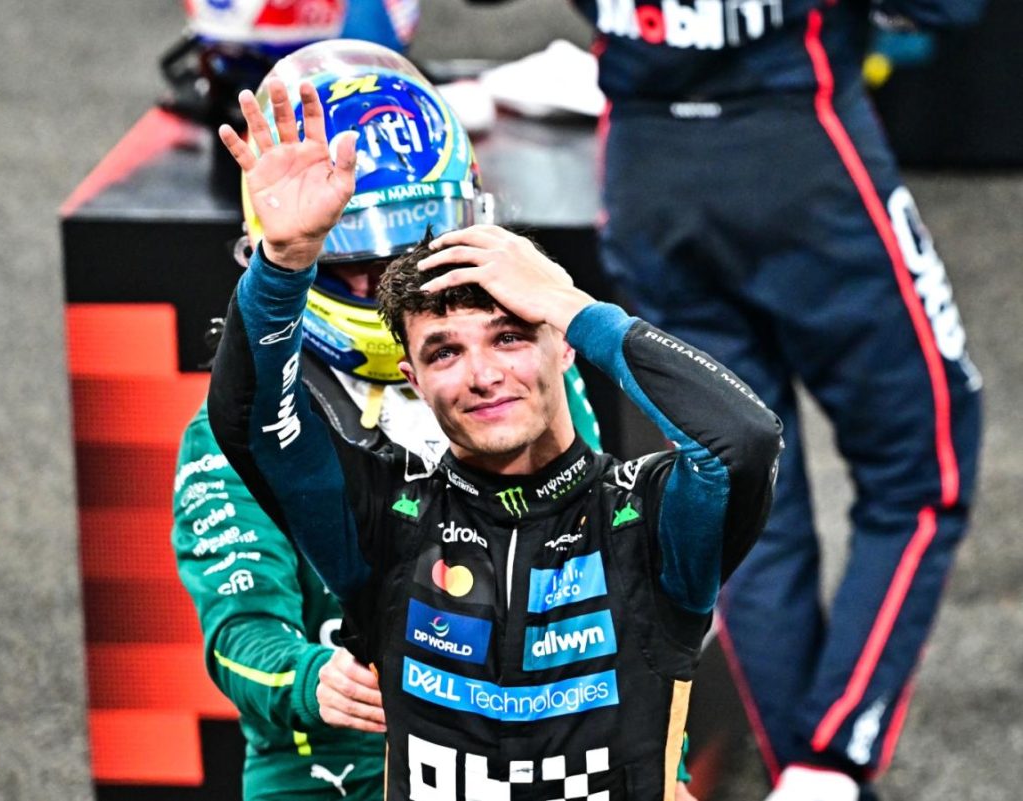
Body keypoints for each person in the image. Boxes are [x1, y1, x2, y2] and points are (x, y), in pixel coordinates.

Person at [206, 40, 783, 799]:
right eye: (446, 352)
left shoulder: (649, 519)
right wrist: (283, 263)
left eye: (509, 338)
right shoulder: (385, 520)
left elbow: (743, 442)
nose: (482, 374)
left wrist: (578, 308)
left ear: (565, 348)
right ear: (415, 378)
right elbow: (247, 425)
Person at [555, 0, 987, 797]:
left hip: (648, 170)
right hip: (801, 156)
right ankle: (831, 760)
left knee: (743, 482)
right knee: (922, 472)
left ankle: (807, 771)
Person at [171, 41, 605, 800]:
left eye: (416, 255)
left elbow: (609, 587)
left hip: (523, 750)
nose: (391, 286)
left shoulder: (526, 380)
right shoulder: (233, 428)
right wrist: (311, 678)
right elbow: (238, 633)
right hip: (334, 767)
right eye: (360, 265)